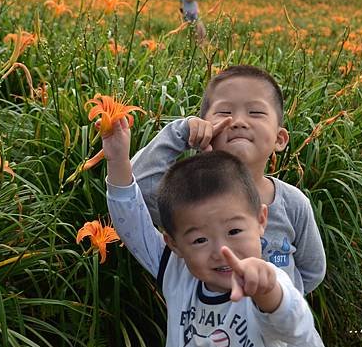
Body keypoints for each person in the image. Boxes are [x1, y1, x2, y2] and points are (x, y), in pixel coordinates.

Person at [103, 118, 326, 347]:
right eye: (200, 240)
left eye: (234, 231)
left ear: (261, 220)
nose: (222, 251)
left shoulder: (266, 281)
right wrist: (118, 160)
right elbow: (132, 224)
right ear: (174, 244)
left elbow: (296, 328)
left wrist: (268, 293)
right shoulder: (175, 270)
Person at [131, 65, 326, 295]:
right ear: (205, 128)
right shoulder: (190, 199)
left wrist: (283, 304)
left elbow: (312, 270)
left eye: (256, 113)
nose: (239, 121)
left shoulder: (293, 203)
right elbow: (139, 186)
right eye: (224, 113)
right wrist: (182, 133)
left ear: (280, 138)